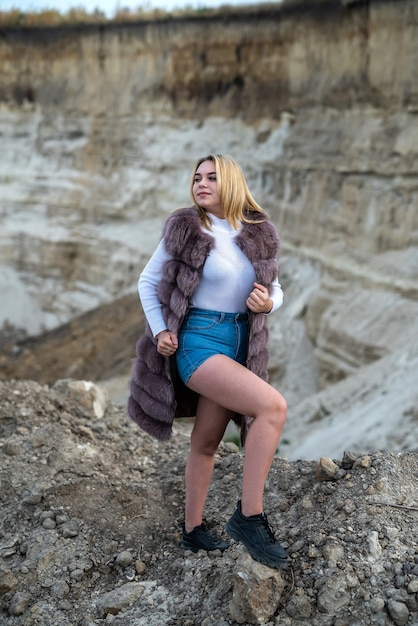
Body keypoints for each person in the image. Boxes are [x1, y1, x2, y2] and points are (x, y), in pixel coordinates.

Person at [128, 154, 288, 569]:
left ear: (231, 182)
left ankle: (193, 531)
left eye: (212, 177)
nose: (201, 183)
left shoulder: (257, 232)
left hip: (240, 341)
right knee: (273, 407)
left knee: (205, 444)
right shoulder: (186, 228)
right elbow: (147, 281)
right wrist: (163, 329)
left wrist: (268, 303)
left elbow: (277, 288)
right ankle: (250, 517)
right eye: (197, 177)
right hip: (198, 340)